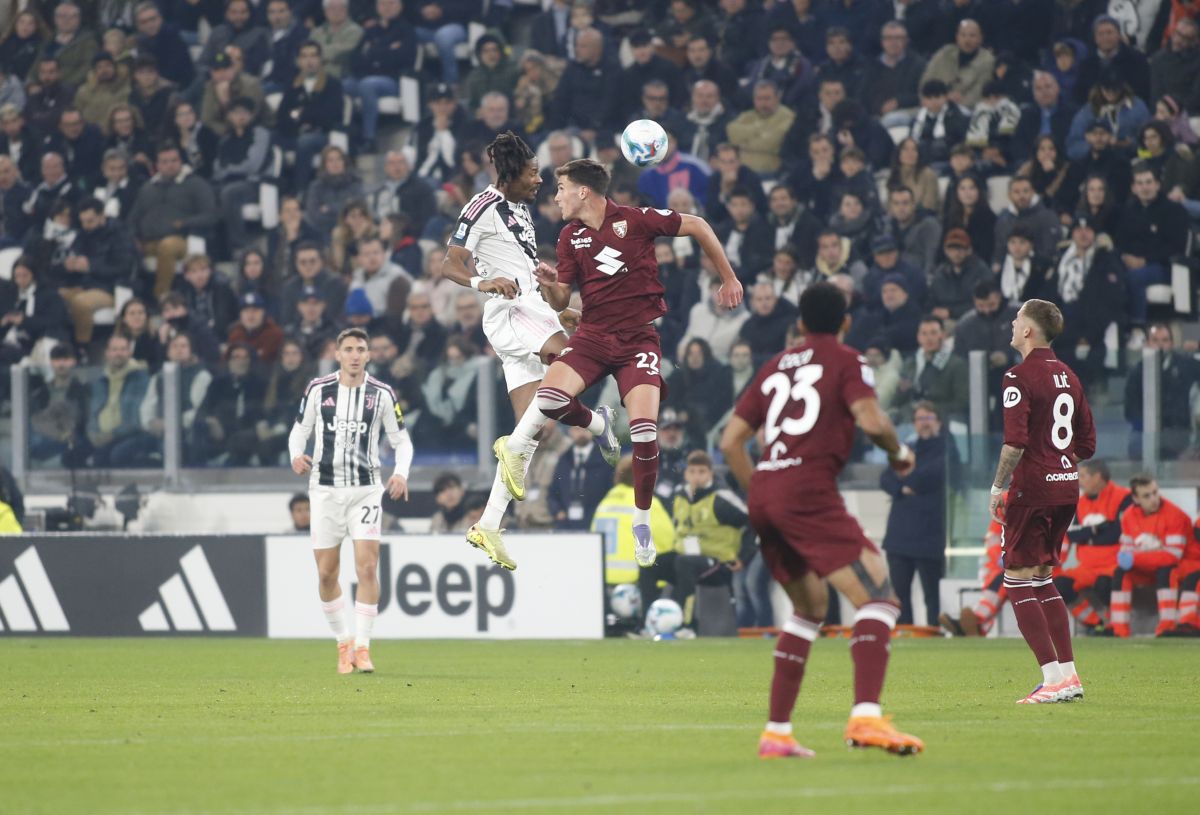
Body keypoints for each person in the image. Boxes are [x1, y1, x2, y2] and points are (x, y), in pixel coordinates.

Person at [503, 158, 743, 569]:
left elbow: (699, 225)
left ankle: (641, 519)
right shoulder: (569, 236)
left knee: (645, 432)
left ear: (582, 191)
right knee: (549, 399)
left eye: (561, 188)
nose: (555, 197)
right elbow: (562, 301)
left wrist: (729, 277)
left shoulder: (636, 220)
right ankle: (598, 425)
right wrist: (550, 286)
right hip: (593, 336)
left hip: (638, 340)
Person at [719, 280, 923, 757]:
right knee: (879, 598)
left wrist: (762, 491)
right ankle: (866, 718)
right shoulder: (847, 359)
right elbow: (871, 419)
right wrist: (899, 454)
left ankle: (777, 733)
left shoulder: (775, 364)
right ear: (846, 322)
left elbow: (730, 442)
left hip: (766, 493)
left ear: (801, 323)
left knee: (810, 608)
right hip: (807, 490)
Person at [440, 133, 620, 568]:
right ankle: (598, 423)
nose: (540, 180)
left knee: (534, 431)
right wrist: (483, 282)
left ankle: (488, 524)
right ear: (511, 173)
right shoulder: (480, 207)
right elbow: (449, 263)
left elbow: (522, 268)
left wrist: (559, 311)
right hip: (511, 310)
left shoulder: (520, 208)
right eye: (533, 173)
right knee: (568, 364)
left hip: (533, 309)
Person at [988, 299, 1095, 704]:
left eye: (1017, 319)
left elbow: (1014, 443)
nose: (1012, 324)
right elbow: (1087, 443)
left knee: (1016, 579)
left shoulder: (1018, 376)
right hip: (1066, 488)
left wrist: (997, 488)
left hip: (1032, 489)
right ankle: (1069, 676)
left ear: (1029, 330)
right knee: (1043, 578)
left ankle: (1051, 679)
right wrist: (1057, 465)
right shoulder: (1069, 375)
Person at [288, 327, 413, 675]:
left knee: (367, 567)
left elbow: (402, 441)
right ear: (337, 354)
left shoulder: (382, 393)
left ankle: (363, 646)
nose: (355, 355)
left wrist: (401, 473)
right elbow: (299, 431)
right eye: (348, 349)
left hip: (366, 490)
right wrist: (296, 455)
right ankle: (343, 641)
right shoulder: (318, 389)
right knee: (327, 573)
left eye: (360, 349)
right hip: (325, 490)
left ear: (368, 355)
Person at [880, 400, 954, 626]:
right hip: (899, 535)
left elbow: (931, 476)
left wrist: (906, 477)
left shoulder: (947, 448)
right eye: (919, 419)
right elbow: (885, 478)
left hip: (930, 534)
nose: (924, 423)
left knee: (933, 596)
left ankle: (935, 634)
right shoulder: (908, 448)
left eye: (928, 418)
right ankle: (904, 635)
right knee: (899, 595)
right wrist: (903, 486)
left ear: (938, 421)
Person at [660, 450, 751, 632]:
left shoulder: (721, 498)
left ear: (711, 473)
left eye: (702, 472)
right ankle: (647, 623)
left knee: (684, 563)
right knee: (652, 565)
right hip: (686, 557)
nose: (696, 477)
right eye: (692, 471)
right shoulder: (678, 495)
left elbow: (753, 521)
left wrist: (744, 556)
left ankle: (686, 625)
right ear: (686, 474)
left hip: (719, 563)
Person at [1109, 475, 1191, 638]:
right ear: (1136, 499)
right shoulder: (1129, 516)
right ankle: (1119, 630)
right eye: (1147, 496)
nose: (1153, 499)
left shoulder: (1175, 515)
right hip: (1147, 569)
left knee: (1167, 571)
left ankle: (1167, 627)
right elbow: (1125, 554)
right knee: (1120, 572)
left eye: (1155, 492)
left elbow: (1173, 556)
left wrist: (1137, 557)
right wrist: (1143, 555)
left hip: (1181, 568)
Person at [1055, 459, 1130, 632]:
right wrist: (1097, 530)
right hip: (1086, 567)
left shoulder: (1123, 497)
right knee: (1059, 586)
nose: (1079, 481)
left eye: (1083, 476)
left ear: (1097, 477)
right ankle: (1095, 623)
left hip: (1113, 565)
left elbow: (1118, 533)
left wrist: (1087, 534)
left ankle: (1113, 627)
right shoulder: (1079, 503)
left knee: (1105, 584)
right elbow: (1072, 534)